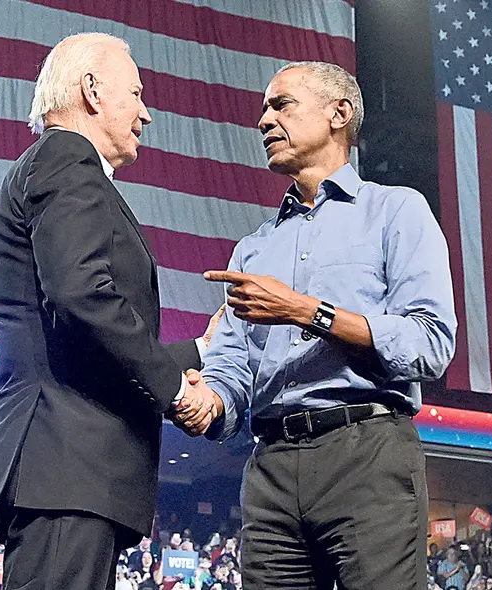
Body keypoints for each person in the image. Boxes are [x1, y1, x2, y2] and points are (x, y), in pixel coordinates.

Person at [190, 60, 456, 589]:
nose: (264, 120)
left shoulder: (396, 212)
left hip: (368, 453)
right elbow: (232, 370)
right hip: (269, 468)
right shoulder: (252, 249)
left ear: (339, 113)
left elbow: (430, 343)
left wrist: (306, 311)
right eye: (264, 109)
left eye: (281, 104)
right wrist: (206, 401)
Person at [0, 32, 222, 590]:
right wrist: (177, 389)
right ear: (91, 90)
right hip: (66, 469)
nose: (146, 113)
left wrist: (199, 353)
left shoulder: (63, 168)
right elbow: (81, 296)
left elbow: (78, 343)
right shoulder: (67, 158)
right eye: (136, 94)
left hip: (72, 474)